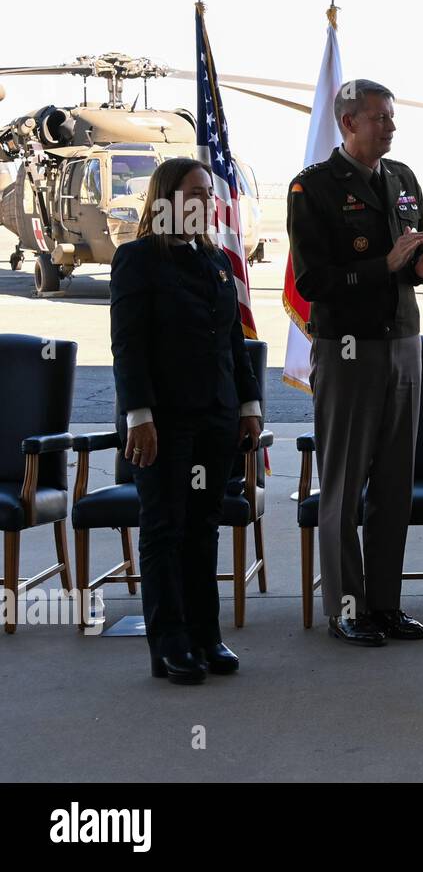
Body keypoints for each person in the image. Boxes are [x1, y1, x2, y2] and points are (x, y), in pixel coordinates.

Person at [288, 79, 423, 647]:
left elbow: (401, 262)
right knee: (344, 484)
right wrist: (386, 265)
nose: (391, 127)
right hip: (350, 350)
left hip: (404, 342)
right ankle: (347, 609)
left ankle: (384, 605)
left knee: (394, 486)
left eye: (392, 117)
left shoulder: (402, 179)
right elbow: (313, 282)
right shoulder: (313, 189)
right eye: (380, 117)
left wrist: (418, 268)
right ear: (348, 121)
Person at [110, 157, 263, 684]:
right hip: (164, 422)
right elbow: (128, 347)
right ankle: (170, 643)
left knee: (203, 527)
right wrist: (139, 415)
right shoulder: (137, 260)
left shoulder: (218, 260)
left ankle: (206, 634)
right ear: (165, 199)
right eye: (192, 193)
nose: (203, 202)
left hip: (217, 418)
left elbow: (232, 341)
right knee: (164, 530)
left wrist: (248, 407)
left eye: (207, 194)